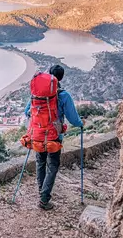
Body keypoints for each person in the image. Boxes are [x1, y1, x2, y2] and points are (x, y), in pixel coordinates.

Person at [24, 65, 84, 210]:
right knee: (53, 166)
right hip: (53, 137)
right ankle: (44, 199)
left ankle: (42, 192)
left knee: (40, 163)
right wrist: (81, 124)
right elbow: (73, 119)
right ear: (61, 78)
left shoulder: (36, 94)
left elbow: (27, 112)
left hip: (37, 136)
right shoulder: (64, 95)